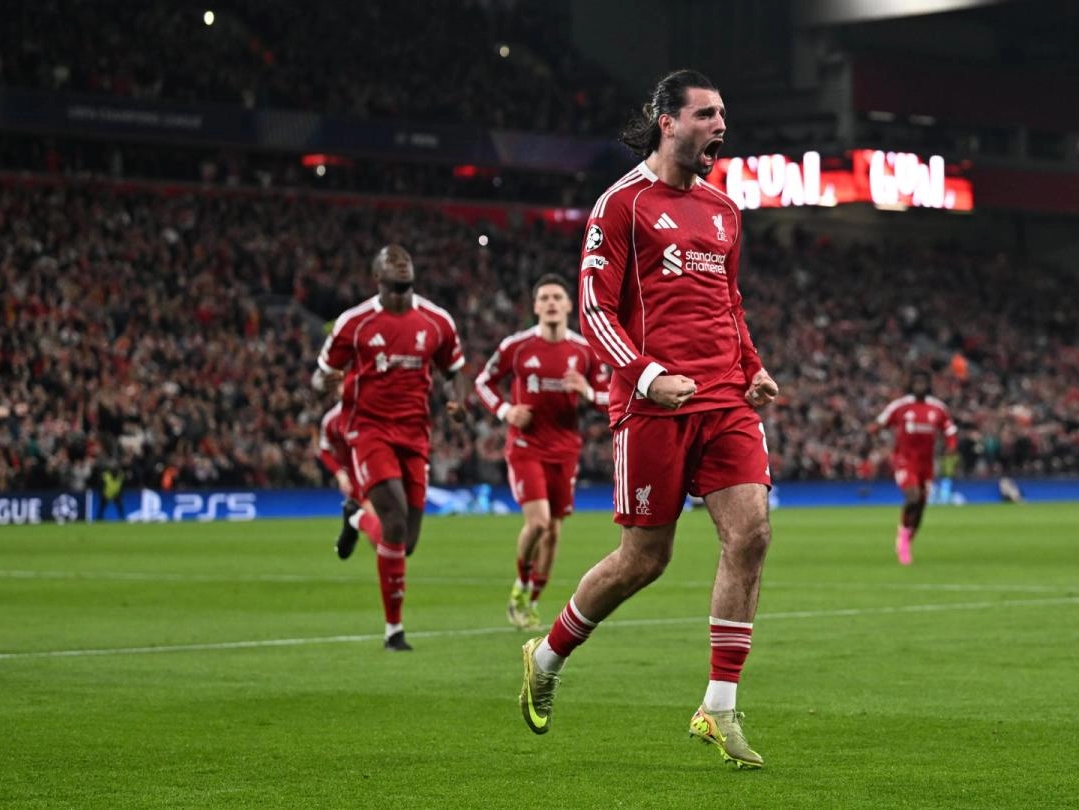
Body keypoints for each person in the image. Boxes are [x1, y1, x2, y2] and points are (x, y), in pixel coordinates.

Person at [519, 68, 779, 770]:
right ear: (667, 121)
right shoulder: (621, 205)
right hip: (651, 404)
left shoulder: (725, 211)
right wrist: (646, 374)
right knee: (644, 560)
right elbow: (595, 311)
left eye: (724, 114)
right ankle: (546, 656)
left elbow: (729, 303)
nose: (721, 126)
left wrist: (751, 365)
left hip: (723, 397)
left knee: (751, 534)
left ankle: (718, 707)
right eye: (707, 114)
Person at [312, 244, 469, 652]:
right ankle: (393, 631)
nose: (402, 289)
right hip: (369, 431)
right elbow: (321, 376)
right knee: (396, 520)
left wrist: (458, 400)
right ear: (377, 279)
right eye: (395, 282)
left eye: (408, 282)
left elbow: (455, 370)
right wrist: (323, 384)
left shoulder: (436, 321)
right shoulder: (354, 323)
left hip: (416, 434)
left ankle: (356, 520)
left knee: (406, 541)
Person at [473, 274, 610, 632]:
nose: (551, 303)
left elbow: (610, 396)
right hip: (525, 445)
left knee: (553, 533)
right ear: (535, 307)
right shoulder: (516, 347)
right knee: (538, 523)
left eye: (557, 297)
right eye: (544, 297)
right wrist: (506, 411)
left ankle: (531, 601)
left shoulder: (584, 351)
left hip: (565, 449)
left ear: (567, 305)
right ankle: (520, 585)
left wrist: (589, 394)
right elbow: (482, 382)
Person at [868, 371, 957, 565]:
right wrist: (877, 437)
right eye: (916, 382)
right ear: (911, 384)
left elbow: (950, 431)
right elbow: (877, 424)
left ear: (928, 385)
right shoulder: (900, 406)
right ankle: (902, 537)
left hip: (927, 464)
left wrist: (951, 447)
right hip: (905, 461)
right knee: (913, 496)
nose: (920, 385)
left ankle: (908, 538)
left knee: (920, 507)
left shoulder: (938, 408)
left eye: (923, 382)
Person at [317, 397, 375, 560]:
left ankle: (354, 517)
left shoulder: (374, 408)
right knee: (383, 535)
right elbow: (324, 451)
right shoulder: (331, 420)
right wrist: (340, 475)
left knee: (394, 535)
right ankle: (356, 517)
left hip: (379, 468)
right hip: (356, 477)